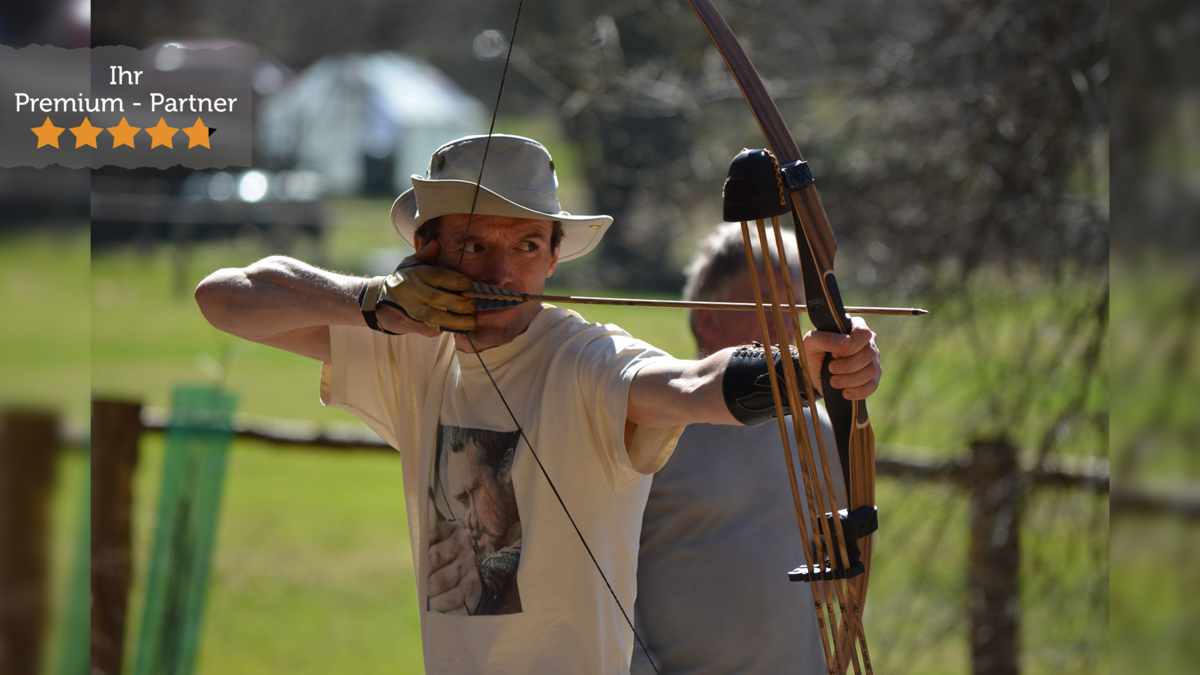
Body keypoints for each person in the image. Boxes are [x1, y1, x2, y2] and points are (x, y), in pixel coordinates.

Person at [194, 134, 881, 674]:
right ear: (427, 250)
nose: (501, 272)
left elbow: (689, 385)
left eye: (526, 245)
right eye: (474, 244)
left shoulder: (586, 360)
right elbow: (224, 297)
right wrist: (371, 301)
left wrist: (799, 370)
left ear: (553, 258)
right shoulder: (409, 348)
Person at [631, 223, 846, 675]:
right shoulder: (653, 427)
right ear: (708, 319)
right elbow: (611, 568)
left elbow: (843, 562)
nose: (786, 324)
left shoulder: (816, 429)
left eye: (795, 307)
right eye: (766, 305)